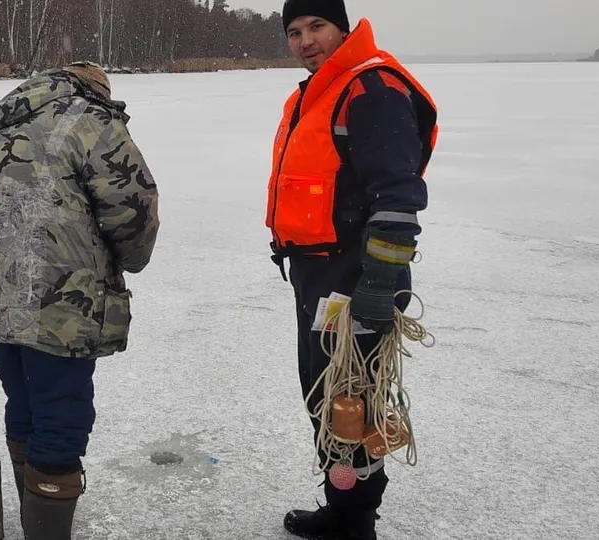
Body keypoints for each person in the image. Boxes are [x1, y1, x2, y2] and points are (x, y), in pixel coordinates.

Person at [0, 61, 160, 540]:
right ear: (97, 89)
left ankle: (36, 514)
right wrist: (131, 259)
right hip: (59, 298)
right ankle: (46, 525)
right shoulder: (92, 120)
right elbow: (132, 207)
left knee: (24, 402)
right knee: (61, 410)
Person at [265, 1, 439, 539]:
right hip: (319, 274)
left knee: (351, 398)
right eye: (294, 31)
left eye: (317, 26)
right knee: (327, 393)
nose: (305, 40)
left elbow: (398, 197)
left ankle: (355, 519)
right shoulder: (324, 90)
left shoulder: (371, 90)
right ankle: (345, 507)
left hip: (354, 276)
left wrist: (379, 282)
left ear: (342, 27)